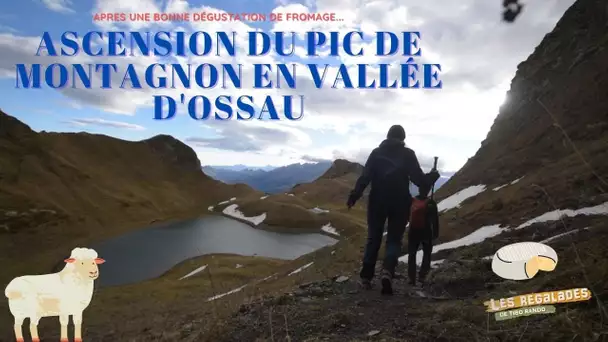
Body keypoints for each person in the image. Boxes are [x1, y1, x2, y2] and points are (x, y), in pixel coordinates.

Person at [346, 125, 440, 295]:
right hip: (400, 203)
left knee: (373, 238)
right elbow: (420, 181)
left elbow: (365, 177)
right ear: (403, 139)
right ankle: (387, 271)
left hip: (377, 202)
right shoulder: (408, 154)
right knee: (394, 240)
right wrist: (432, 176)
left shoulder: (376, 153)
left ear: (387, 136)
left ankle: (366, 277)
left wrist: (354, 196)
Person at [407, 183, 440, 287]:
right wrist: (435, 233)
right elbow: (435, 220)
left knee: (412, 254)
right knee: (427, 254)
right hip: (426, 232)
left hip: (413, 231)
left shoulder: (412, 201)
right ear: (428, 191)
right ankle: (422, 276)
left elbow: (408, 216)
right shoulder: (431, 203)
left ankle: (411, 278)